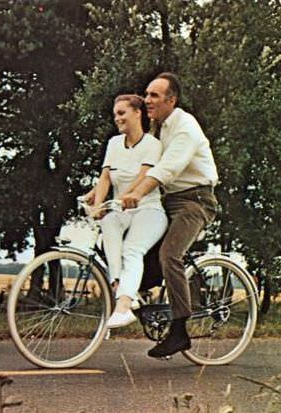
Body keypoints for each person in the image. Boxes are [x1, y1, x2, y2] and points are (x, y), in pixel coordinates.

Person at [120, 72, 219, 358]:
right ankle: (139, 300)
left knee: (170, 255)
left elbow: (167, 170)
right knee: (134, 243)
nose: (147, 99)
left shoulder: (185, 127)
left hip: (195, 200)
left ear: (171, 100)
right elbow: (140, 165)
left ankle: (179, 330)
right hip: (166, 199)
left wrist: (137, 194)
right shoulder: (156, 129)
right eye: (146, 94)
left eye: (154, 95)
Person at [86, 94, 168, 329]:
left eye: (122, 113)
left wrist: (121, 199)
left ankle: (123, 306)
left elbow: (143, 178)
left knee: (132, 249)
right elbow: (105, 178)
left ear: (137, 113)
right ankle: (118, 287)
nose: (117, 119)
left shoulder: (152, 145)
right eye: (115, 115)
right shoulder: (113, 144)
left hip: (148, 210)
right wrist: (99, 207)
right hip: (120, 210)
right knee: (109, 223)